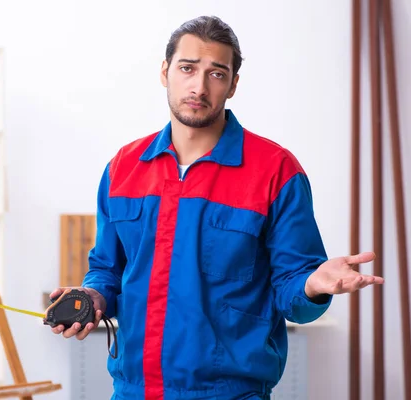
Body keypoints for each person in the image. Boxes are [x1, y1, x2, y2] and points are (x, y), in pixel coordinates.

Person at [49, 15, 384, 400]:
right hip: (133, 390)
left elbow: (295, 297)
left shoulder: (276, 172)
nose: (199, 86)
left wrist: (311, 285)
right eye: (187, 68)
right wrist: (93, 298)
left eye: (217, 73)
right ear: (165, 71)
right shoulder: (123, 168)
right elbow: (107, 269)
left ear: (233, 84)